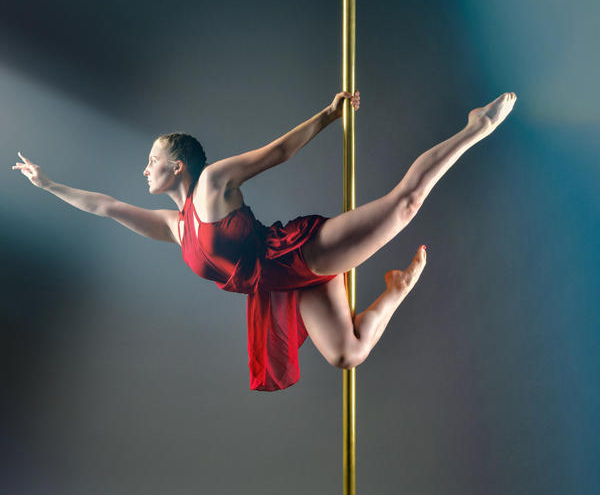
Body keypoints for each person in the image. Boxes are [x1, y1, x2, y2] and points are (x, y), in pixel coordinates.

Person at [15, 87, 515, 402]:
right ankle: (398, 289)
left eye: (152, 160)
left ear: (178, 165)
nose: (144, 169)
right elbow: (105, 206)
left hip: (297, 253)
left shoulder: (213, 183)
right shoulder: (175, 227)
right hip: (281, 287)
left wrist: (328, 115)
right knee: (348, 355)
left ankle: (476, 127)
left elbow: (277, 152)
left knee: (403, 205)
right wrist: (48, 185)